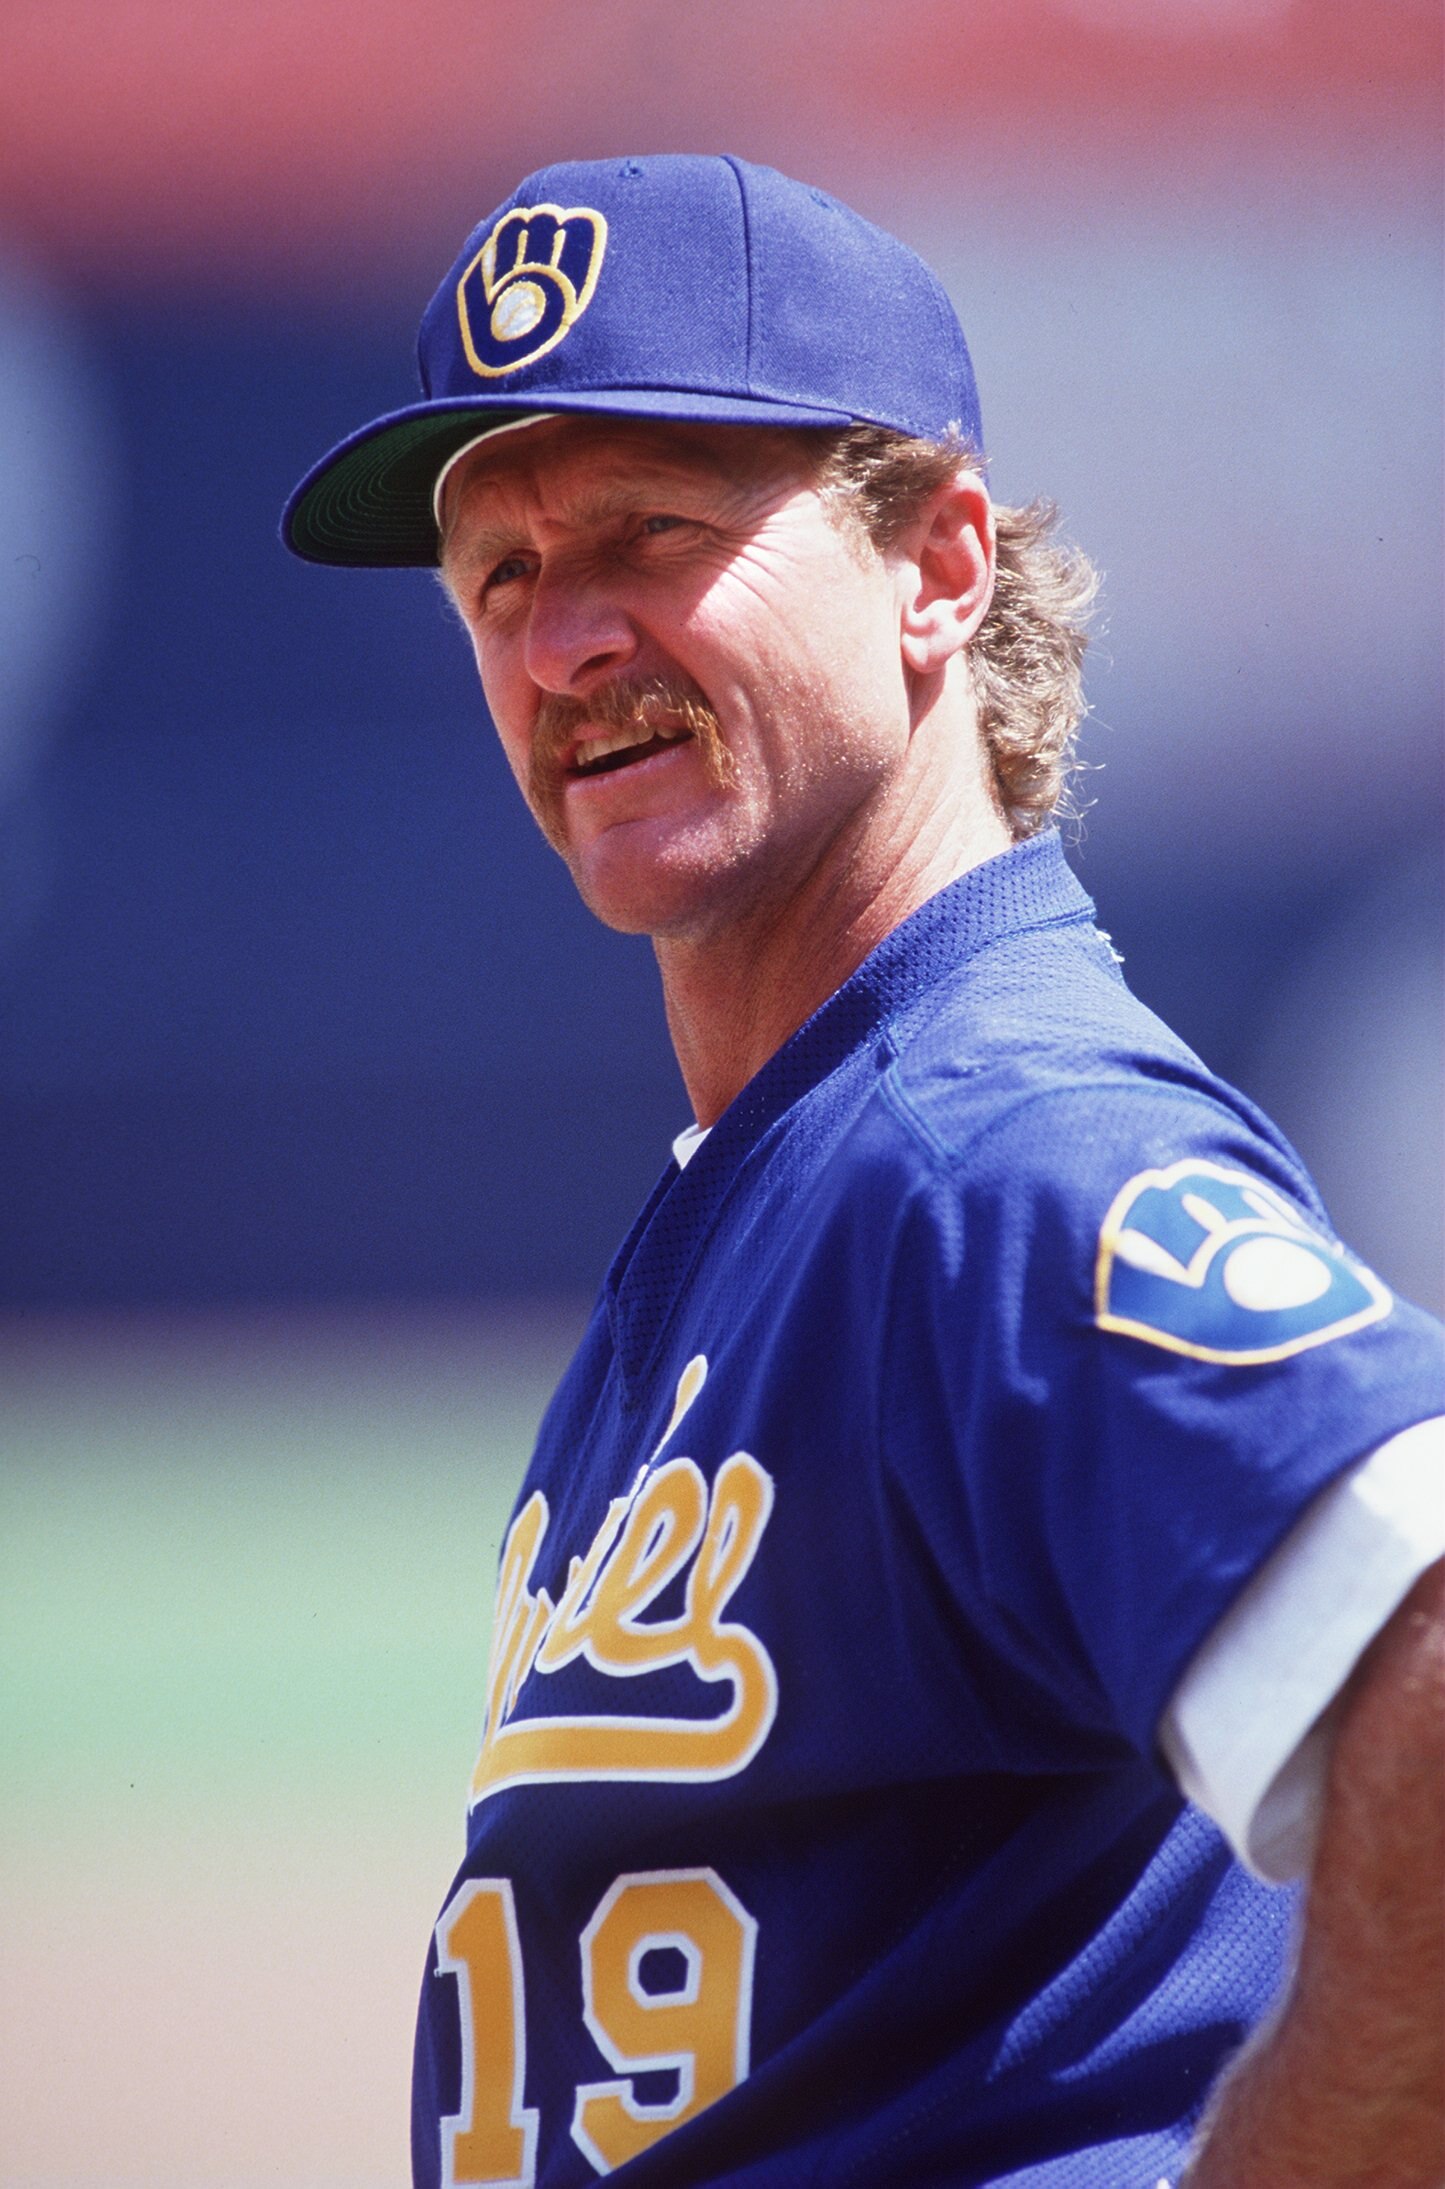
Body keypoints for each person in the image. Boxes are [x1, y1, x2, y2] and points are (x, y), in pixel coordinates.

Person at [284, 155, 1444, 2189]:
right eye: (500, 577)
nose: (563, 641)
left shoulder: (993, 1156)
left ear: (939, 563)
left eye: (648, 531)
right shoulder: (788, 1182)